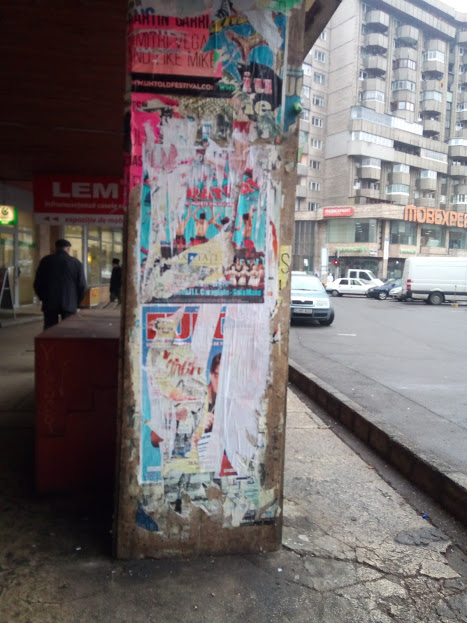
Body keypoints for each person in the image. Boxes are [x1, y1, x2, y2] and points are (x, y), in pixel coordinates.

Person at [33, 239, 87, 330]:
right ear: (68, 249)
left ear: (56, 248)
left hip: (49, 302)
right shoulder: (76, 263)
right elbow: (82, 285)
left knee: (50, 330)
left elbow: (37, 283)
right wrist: (76, 302)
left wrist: (43, 298)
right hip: (69, 303)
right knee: (68, 331)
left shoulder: (45, 261)